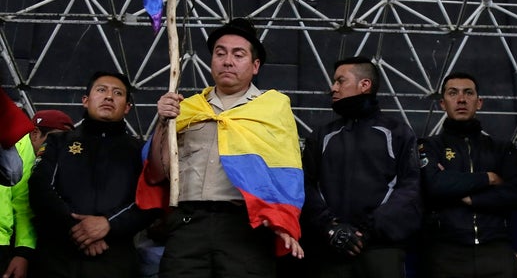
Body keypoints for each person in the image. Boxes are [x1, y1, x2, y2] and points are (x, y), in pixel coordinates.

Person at [139, 18, 305, 278]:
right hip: (189, 224)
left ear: (255, 65)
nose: (227, 61)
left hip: (246, 227)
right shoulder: (186, 108)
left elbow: (286, 172)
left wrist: (282, 220)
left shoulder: (273, 108)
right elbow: (157, 174)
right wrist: (163, 122)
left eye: (238, 55)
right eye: (220, 53)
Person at [28, 71, 160, 278]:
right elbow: (40, 188)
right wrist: (78, 229)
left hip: (115, 260)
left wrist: (108, 224)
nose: (109, 96)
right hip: (56, 259)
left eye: (117, 93)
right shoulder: (59, 142)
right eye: (101, 90)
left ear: (127, 107)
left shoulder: (140, 151)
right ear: (85, 100)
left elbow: (149, 201)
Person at [300, 56, 422, 278]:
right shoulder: (321, 135)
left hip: (381, 251)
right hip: (328, 251)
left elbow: (410, 189)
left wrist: (366, 232)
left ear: (364, 85)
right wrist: (330, 227)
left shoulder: (398, 132)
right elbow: (304, 185)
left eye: (340, 81)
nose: (332, 88)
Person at [418, 72, 517, 278]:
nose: (461, 99)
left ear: (479, 103)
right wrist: (489, 178)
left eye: (468, 93)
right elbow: (434, 185)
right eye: (453, 93)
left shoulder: (502, 148)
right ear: (442, 103)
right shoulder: (429, 146)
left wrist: (470, 198)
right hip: (446, 254)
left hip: (496, 251)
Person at [0, 110, 75, 278]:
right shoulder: (15, 154)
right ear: (34, 134)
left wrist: (23, 252)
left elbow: (23, 207)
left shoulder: (37, 162)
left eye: (65, 143)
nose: (58, 148)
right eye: (53, 140)